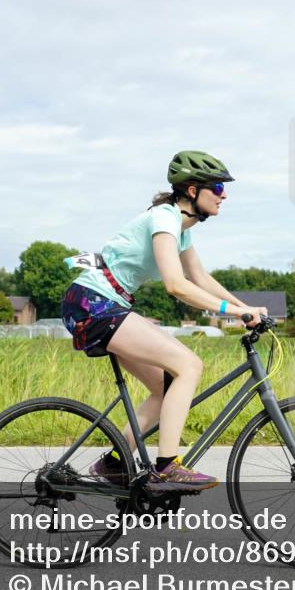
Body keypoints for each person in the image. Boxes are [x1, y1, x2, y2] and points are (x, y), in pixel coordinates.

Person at [60, 151, 267, 491]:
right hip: (93, 303)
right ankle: (167, 467)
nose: (224, 194)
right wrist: (236, 313)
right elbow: (176, 285)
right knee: (188, 365)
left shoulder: (181, 230)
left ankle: (115, 463)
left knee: (166, 386)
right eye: (216, 187)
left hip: (105, 305)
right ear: (190, 191)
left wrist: (249, 309)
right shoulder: (165, 218)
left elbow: (199, 277)